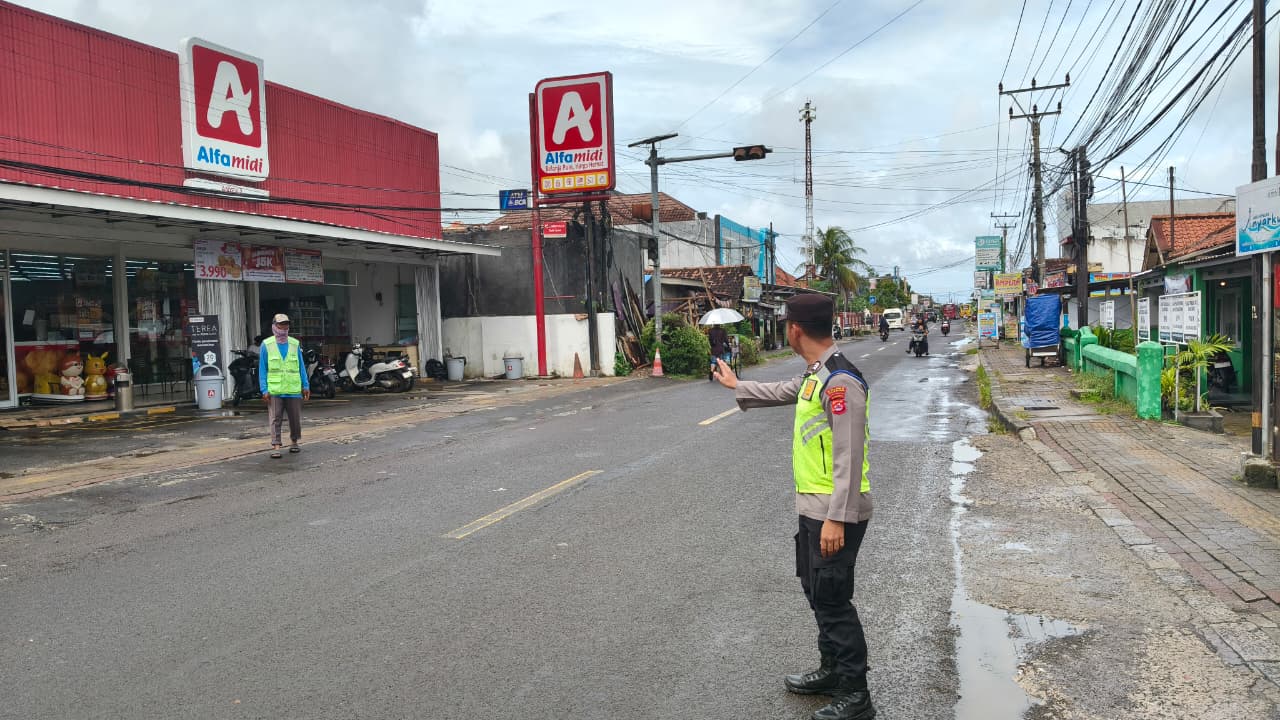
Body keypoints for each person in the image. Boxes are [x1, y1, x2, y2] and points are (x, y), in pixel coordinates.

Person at [713, 294, 875, 720]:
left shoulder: (840, 381)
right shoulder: (817, 374)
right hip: (815, 508)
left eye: (786, 324)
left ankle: (856, 695)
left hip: (834, 512)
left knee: (833, 601)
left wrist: (837, 518)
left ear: (795, 329)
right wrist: (737, 386)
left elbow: (849, 455)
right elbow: (784, 390)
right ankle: (832, 671)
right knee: (817, 592)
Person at [259, 313, 310, 459]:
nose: (284, 327)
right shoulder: (266, 344)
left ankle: (294, 441)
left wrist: (305, 385)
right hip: (275, 389)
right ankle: (276, 445)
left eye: (286, 324)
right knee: (275, 418)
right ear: (274, 326)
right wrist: (264, 389)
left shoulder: (294, 344)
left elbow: (301, 366)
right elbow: (262, 369)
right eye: (281, 324)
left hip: (293, 389)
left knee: (295, 419)